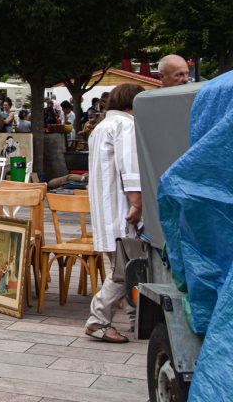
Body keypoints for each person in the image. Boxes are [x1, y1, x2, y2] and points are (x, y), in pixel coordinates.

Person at [85, 82, 144, 343]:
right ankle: (98, 320)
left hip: (105, 206)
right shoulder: (126, 125)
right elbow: (129, 165)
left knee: (124, 266)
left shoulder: (100, 128)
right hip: (121, 207)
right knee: (126, 269)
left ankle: (136, 320)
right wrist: (137, 202)